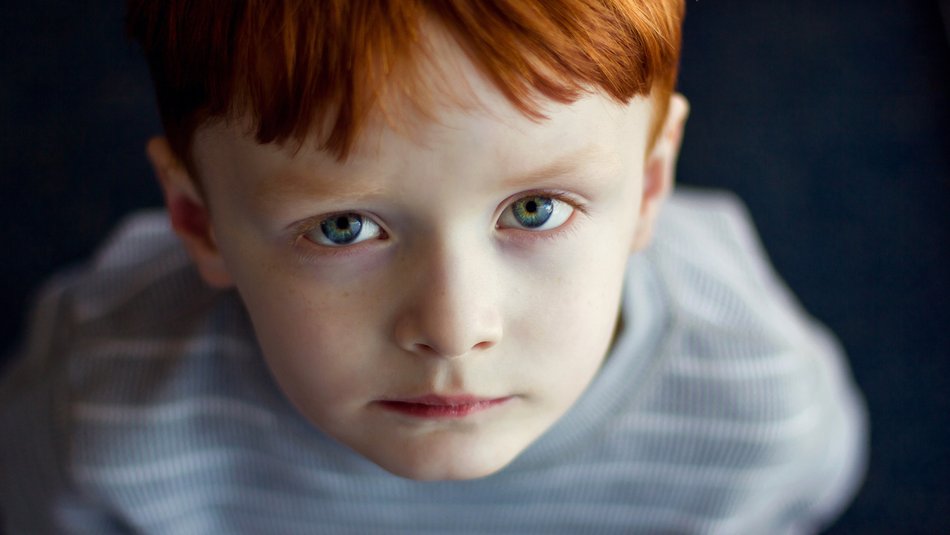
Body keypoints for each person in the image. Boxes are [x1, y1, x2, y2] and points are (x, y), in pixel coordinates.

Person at [0, 1, 867, 532]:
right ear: (197, 218)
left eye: (535, 210)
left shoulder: (751, 402)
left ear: (648, 185)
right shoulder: (107, 405)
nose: (455, 326)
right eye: (343, 227)